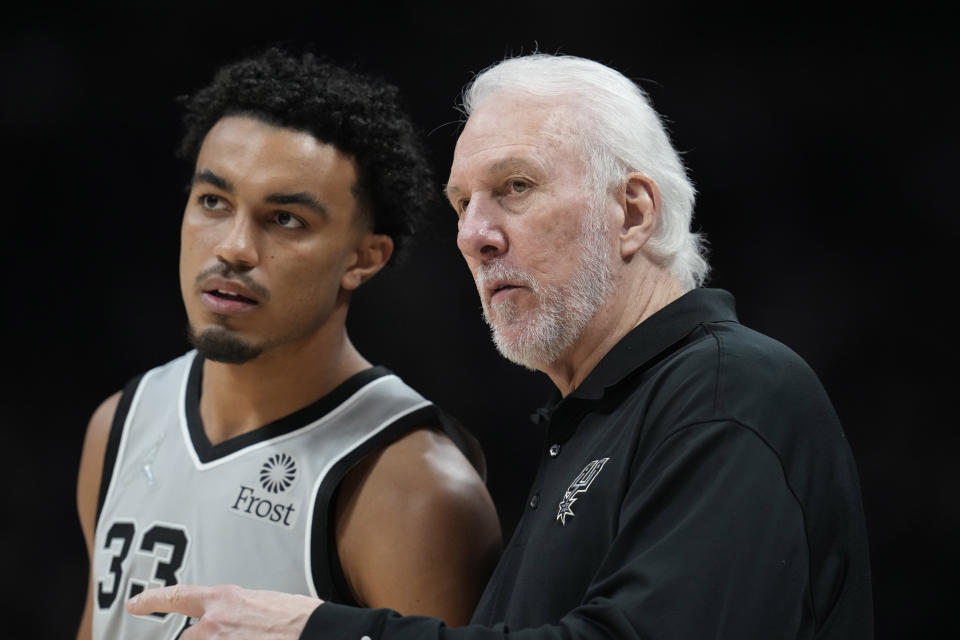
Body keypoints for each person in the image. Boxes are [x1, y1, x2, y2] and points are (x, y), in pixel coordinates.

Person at [127, 53, 873, 639]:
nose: (475, 235)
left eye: (515, 187)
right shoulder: (602, 419)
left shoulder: (729, 393)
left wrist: (316, 629)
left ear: (634, 211)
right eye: (462, 203)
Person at [75, 48, 502, 640]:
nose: (233, 247)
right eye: (213, 202)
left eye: (284, 220)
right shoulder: (120, 425)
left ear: (363, 258)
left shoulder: (416, 490)